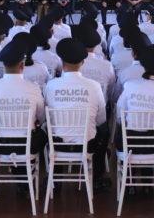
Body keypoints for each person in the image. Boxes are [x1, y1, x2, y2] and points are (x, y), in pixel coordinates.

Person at [44, 38, 109, 190]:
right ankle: (97, 177)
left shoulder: (51, 85)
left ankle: (56, 179)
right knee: (104, 129)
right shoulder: (94, 86)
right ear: (83, 63)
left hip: (57, 143)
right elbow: (101, 119)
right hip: (87, 143)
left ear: (61, 62)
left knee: (51, 127)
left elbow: (45, 115)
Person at [0, 38, 47, 153]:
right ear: (22, 65)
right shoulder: (33, 87)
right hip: (28, 145)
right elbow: (41, 117)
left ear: (3, 65)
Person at [115, 43, 154, 152]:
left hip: (128, 142)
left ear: (144, 67)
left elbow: (119, 115)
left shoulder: (130, 86)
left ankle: (128, 164)